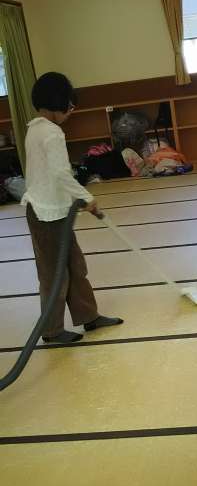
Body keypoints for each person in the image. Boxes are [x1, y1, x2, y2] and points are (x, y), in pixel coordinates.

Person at [22, 72, 123, 344]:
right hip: (45, 214)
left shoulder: (35, 128)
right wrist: (87, 197)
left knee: (75, 266)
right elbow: (61, 173)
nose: (70, 111)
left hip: (56, 212)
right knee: (54, 275)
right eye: (69, 105)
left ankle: (88, 316)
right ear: (58, 101)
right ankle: (52, 331)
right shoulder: (51, 132)